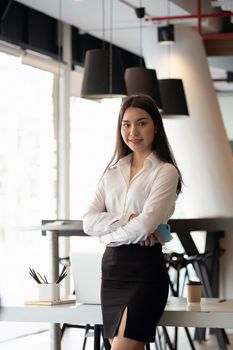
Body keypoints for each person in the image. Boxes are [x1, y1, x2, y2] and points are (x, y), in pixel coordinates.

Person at [83, 94, 182, 350]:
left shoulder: (165, 171)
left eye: (142, 123)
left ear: (156, 126)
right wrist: (127, 218)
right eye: (126, 124)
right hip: (112, 271)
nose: (132, 131)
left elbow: (145, 226)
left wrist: (106, 235)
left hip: (144, 270)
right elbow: (88, 222)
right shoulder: (112, 172)